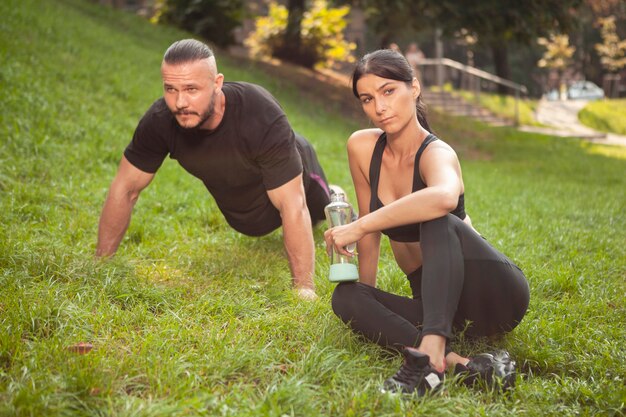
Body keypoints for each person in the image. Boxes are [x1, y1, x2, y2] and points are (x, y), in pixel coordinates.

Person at [324, 49, 530, 395]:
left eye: (389, 91)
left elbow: (444, 198)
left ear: (414, 88)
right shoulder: (362, 147)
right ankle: (458, 362)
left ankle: (429, 358)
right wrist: (368, 295)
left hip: (493, 292)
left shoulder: (437, 153)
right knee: (345, 297)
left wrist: (358, 224)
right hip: (440, 305)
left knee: (435, 218)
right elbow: (372, 232)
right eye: (368, 98)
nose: (380, 107)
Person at [96, 39, 334, 300]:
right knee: (251, 225)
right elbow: (125, 187)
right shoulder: (161, 120)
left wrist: (304, 289)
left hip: (293, 165)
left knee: (317, 209)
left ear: (217, 83)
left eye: (191, 89)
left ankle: (333, 195)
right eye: (170, 89)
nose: (180, 102)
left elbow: (292, 205)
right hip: (245, 207)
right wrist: (101, 264)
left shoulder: (259, 113)